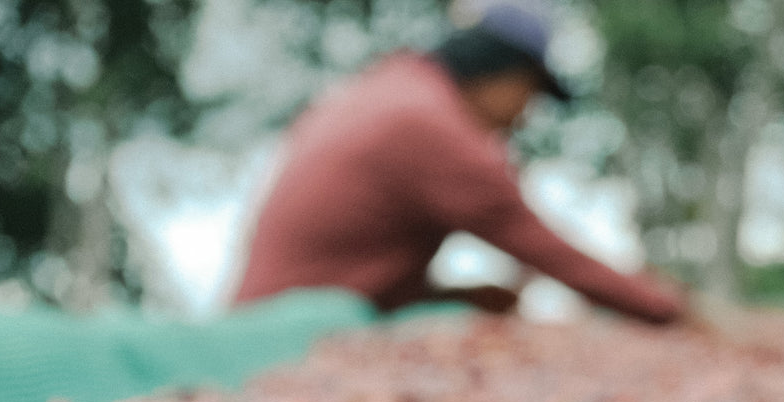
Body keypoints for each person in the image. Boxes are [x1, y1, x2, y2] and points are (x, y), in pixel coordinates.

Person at [230, 0, 687, 323]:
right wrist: (668, 309)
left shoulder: (394, 87)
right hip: (294, 327)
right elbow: (547, 250)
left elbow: (352, 251)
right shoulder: (430, 127)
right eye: (531, 96)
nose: (526, 117)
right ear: (508, 74)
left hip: (275, 310)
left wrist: (448, 296)